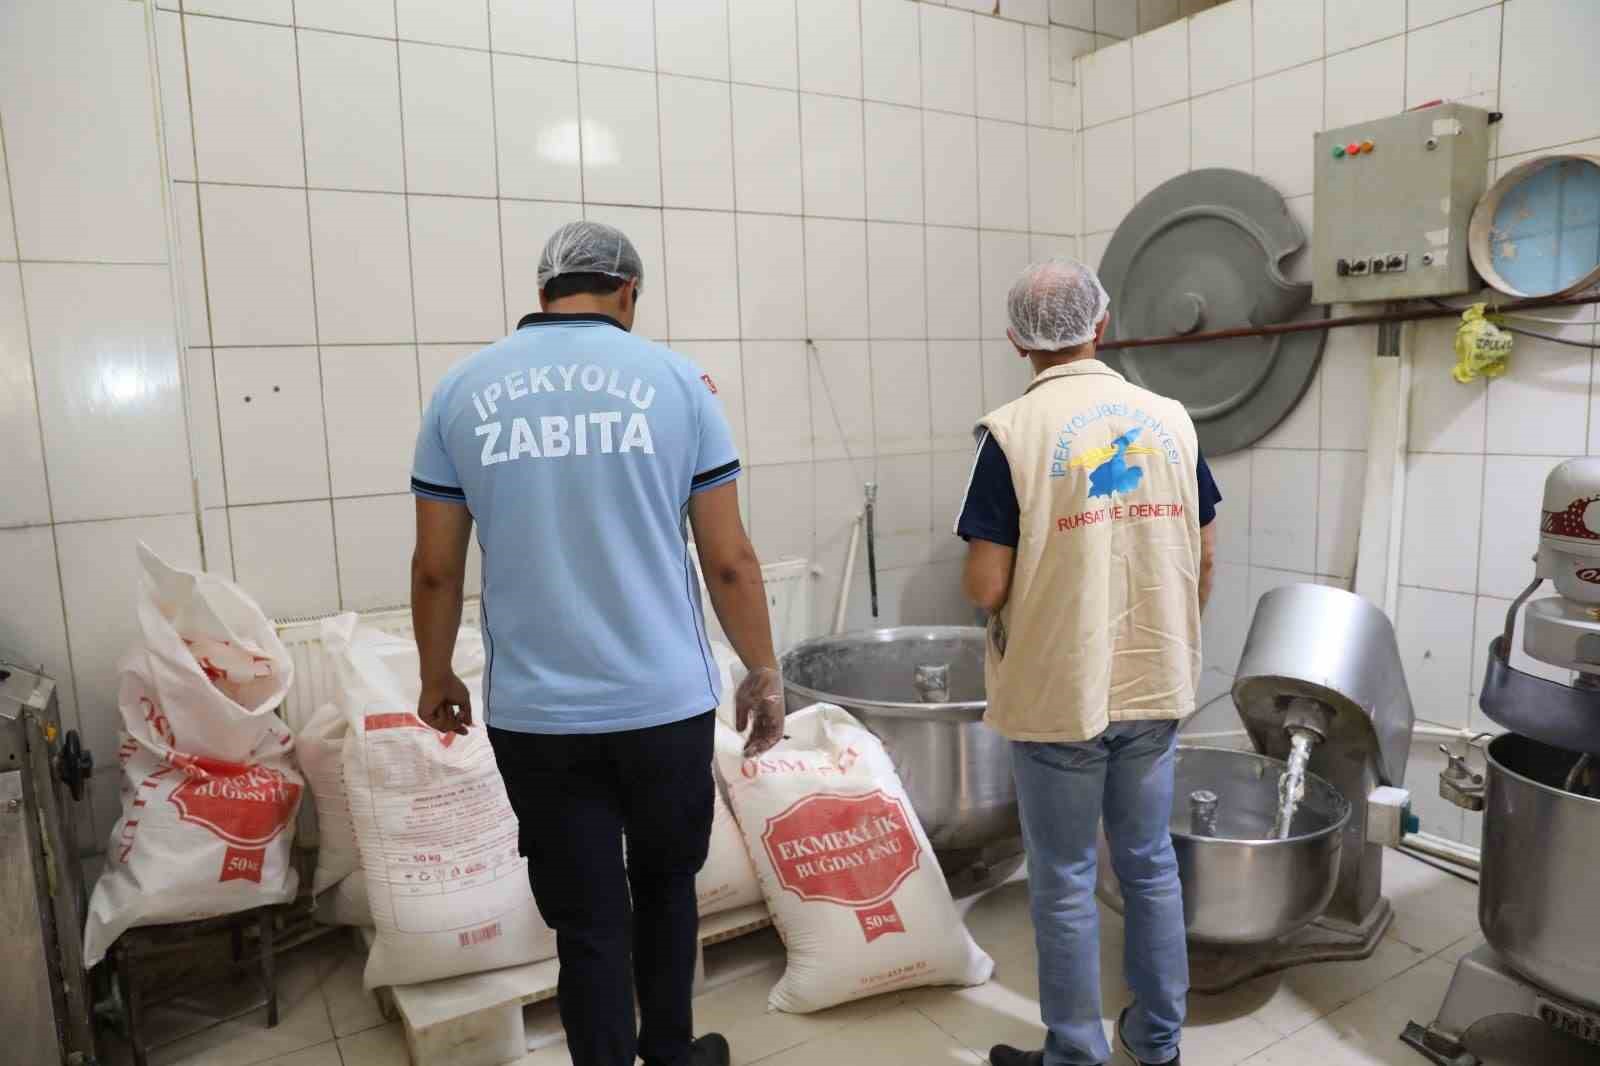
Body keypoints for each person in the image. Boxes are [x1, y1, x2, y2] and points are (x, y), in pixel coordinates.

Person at [407, 220, 786, 1066]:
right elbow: (728, 559)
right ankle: (674, 1053)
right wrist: (764, 670)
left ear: (542, 292)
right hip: (662, 708)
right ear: (628, 294)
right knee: (664, 889)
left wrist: (436, 673)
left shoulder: (462, 391)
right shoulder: (679, 383)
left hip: (539, 719)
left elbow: (436, 569)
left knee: (584, 920)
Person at [957, 259, 1219, 1066]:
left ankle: (1075, 1055)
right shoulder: (1172, 419)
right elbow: (1205, 552)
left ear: (1016, 340)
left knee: (1066, 877)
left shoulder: (1012, 434)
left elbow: (987, 581)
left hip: (1059, 688)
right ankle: (1157, 1042)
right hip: (1155, 677)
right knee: (1148, 867)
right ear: (1101, 325)